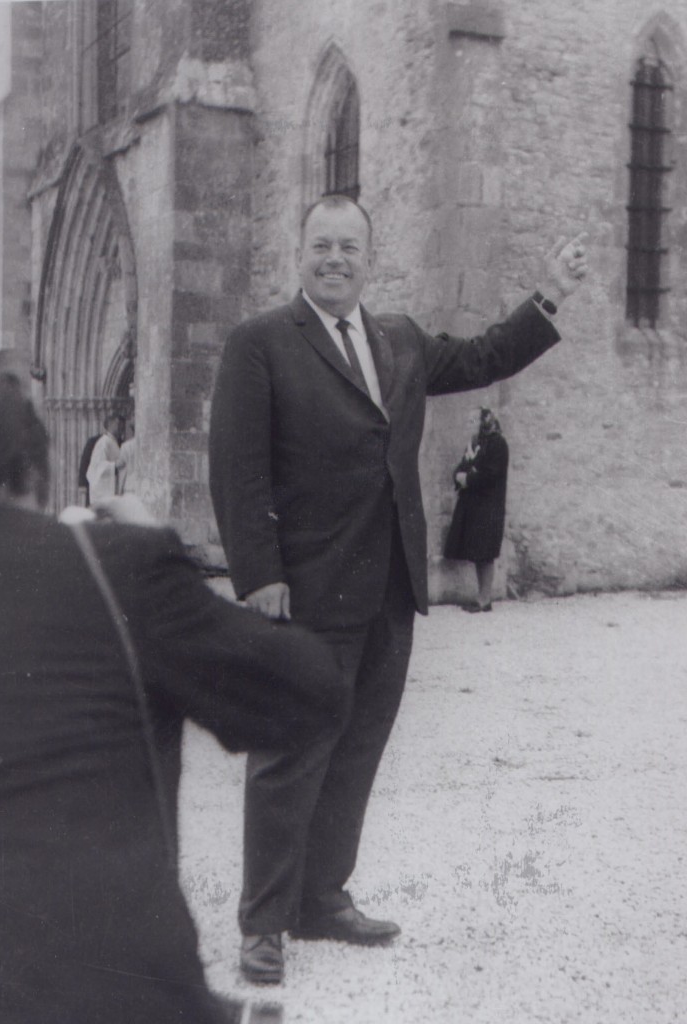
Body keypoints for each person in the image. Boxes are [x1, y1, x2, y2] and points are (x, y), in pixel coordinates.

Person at [208, 193, 588, 985]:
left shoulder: (401, 342)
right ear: (300, 252)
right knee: (289, 753)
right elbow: (238, 471)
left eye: (349, 246)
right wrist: (260, 577)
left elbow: (486, 356)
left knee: (356, 750)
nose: (335, 259)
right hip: (304, 592)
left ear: (368, 258)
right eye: (322, 245)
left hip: (388, 588)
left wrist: (547, 294)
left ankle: (322, 896)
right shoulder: (261, 344)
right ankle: (264, 924)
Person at [0, 365, 346, 1024]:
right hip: (111, 990)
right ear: (30, 473)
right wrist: (153, 551)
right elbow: (310, 694)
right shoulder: (112, 565)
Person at [444, 407, 509, 611]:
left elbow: (491, 474)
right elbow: (462, 466)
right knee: (478, 551)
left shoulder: (498, 444)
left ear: (484, 422)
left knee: (486, 552)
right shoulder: (475, 443)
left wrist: (468, 477)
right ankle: (481, 596)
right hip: (474, 504)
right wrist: (460, 475)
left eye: (474, 420)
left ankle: (485, 599)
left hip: (489, 505)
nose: (470, 423)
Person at [86, 412, 124, 505]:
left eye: (122, 425)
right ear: (110, 425)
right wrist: (115, 465)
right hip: (102, 490)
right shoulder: (103, 442)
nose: (121, 428)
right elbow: (98, 466)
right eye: (118, 424)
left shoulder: (114, 442)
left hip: (112, 486)